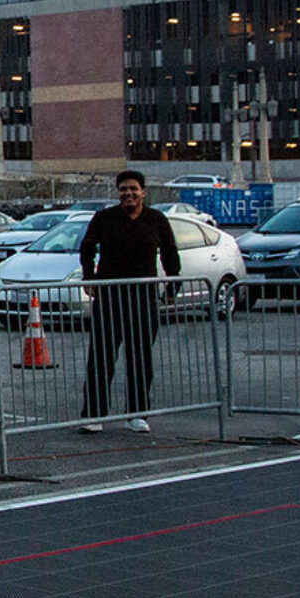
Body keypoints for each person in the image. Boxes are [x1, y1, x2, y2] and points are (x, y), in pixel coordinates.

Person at [74, 169, 181, 435]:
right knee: (101, 357)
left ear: (143, 192)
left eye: (133, 189)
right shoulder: (104, 218)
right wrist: (89, 278)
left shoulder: (156, 219)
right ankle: (94, 414)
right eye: (123, 189)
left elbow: (170, 254)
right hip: (110, 297)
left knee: (140, 357)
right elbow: (87, 247)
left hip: (143, 298)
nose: (128, 194)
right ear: (117, 193)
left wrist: (172, 288)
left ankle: (137, 414)